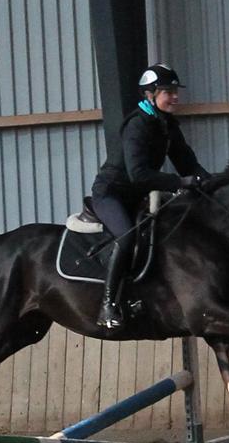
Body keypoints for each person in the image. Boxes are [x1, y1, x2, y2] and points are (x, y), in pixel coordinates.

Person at [89, 63, 209, 328]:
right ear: (151, 94)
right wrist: (180, 182)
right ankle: (108, 305)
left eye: (175, 90)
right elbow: (139, 175)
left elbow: (187, 163)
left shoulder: (167, 125)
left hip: (136, 195)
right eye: (168, 91)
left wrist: (212, 185)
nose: (175, 96)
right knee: (127, 235)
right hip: (111, 194)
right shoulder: (137, 125)